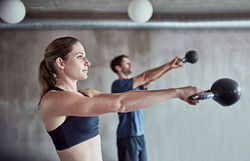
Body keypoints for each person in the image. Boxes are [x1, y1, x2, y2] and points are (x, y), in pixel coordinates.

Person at [38, 36, 201, 161]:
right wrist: (178, 92)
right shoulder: (53, 100)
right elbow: (121, 103)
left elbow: (128, 97)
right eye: (80, 56)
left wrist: (176, 85)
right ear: (61, 63)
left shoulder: (86, 93)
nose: (88, 62)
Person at [110, 55, 186, 161]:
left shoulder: (136, 86)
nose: (130, 64)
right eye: (127, 63)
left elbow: (151, 78)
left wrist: (170, 67)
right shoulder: (118, 84)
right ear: (117, 68)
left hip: (139, 135)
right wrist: (168, 64)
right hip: (127, 137)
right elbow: (145, 77)